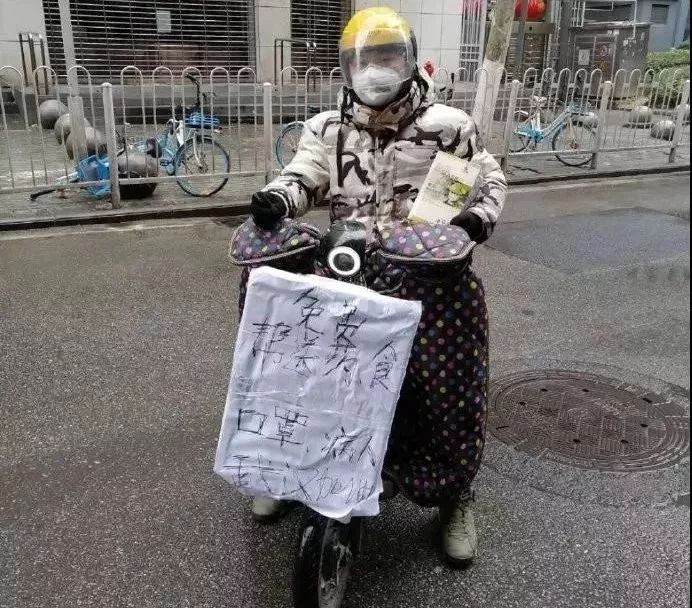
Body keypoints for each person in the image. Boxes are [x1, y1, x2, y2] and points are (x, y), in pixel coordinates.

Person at [248, 7, 507, 567]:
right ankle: (286, 471)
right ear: (347, 67)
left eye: (386, 56)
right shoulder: (327, 129)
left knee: (444, 385)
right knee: (305, 371)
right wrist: (279, 199)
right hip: (350, 267)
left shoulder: (449, 127)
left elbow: (488, 178)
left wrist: (474, 220)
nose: (374, 69)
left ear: (409, 60)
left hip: (427, 273)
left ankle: (453, 493)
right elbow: (305, 175)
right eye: (363, 60)